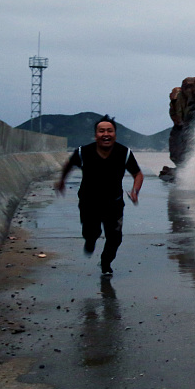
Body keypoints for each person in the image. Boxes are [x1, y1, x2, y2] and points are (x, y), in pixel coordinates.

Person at [55, 115, 143, 276]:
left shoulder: (124, 153)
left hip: (114, 203)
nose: (106, 134)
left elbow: (138, 174)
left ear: (115, 134)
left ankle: (106, 263)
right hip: (89, 203)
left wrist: (135, 192)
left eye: (109, 131)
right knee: (91, 232)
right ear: (96, 135)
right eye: (101, 131)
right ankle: (90, 240)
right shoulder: (83, 152)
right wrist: (61, 181)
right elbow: (69, 165)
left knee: (115, 238)